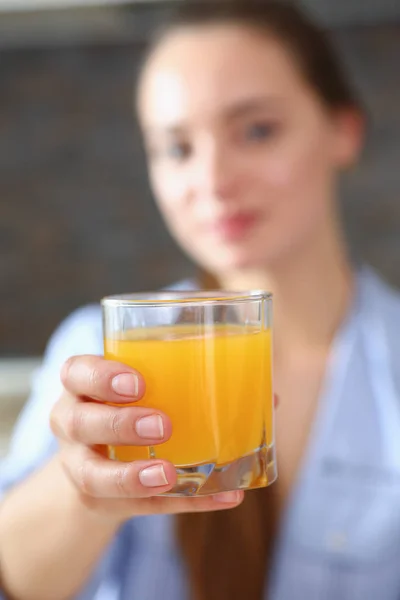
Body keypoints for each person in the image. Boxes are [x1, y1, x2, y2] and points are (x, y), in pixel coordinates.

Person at [1, 1, 400, 599]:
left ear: (342, 130)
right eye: (177, 148)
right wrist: (82, 489)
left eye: (256, 131)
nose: (213, 180)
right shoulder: (103, 353)